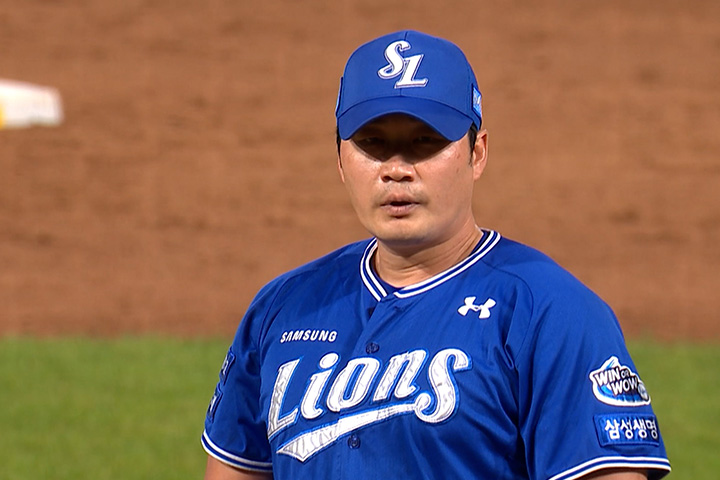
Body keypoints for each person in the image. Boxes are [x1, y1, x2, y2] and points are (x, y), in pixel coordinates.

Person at [201, 30, 671, 480]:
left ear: (476, 153)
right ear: (340, 158)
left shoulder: (550, 313)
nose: (396, 170)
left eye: (425, 142)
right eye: (372, 144)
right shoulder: (282, 308)